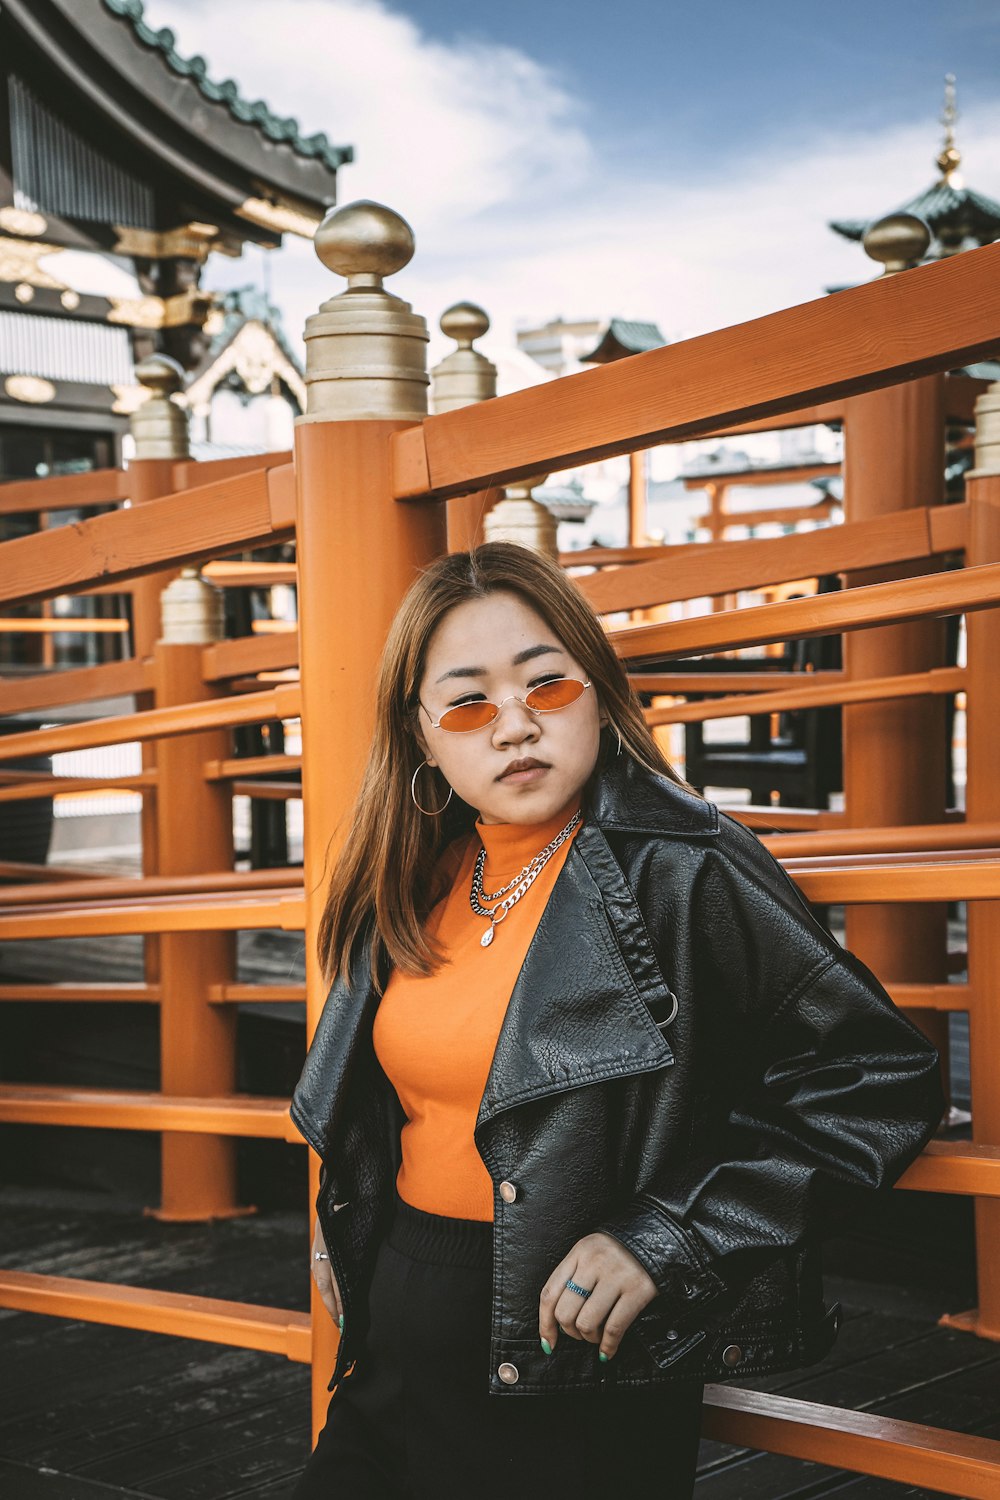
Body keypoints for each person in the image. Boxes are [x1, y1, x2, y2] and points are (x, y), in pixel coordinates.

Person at [289, 541, 944, 1500]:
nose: (513, 727)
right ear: (424, 736)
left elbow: (878, 1076)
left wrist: (671, 1236)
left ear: (597, 690)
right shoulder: (411, 874)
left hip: (569, 1354)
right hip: (393, 1334)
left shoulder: (683, 864)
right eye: (469, 703)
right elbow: (387, 1099)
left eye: (546, 687)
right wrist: (345, 1219)